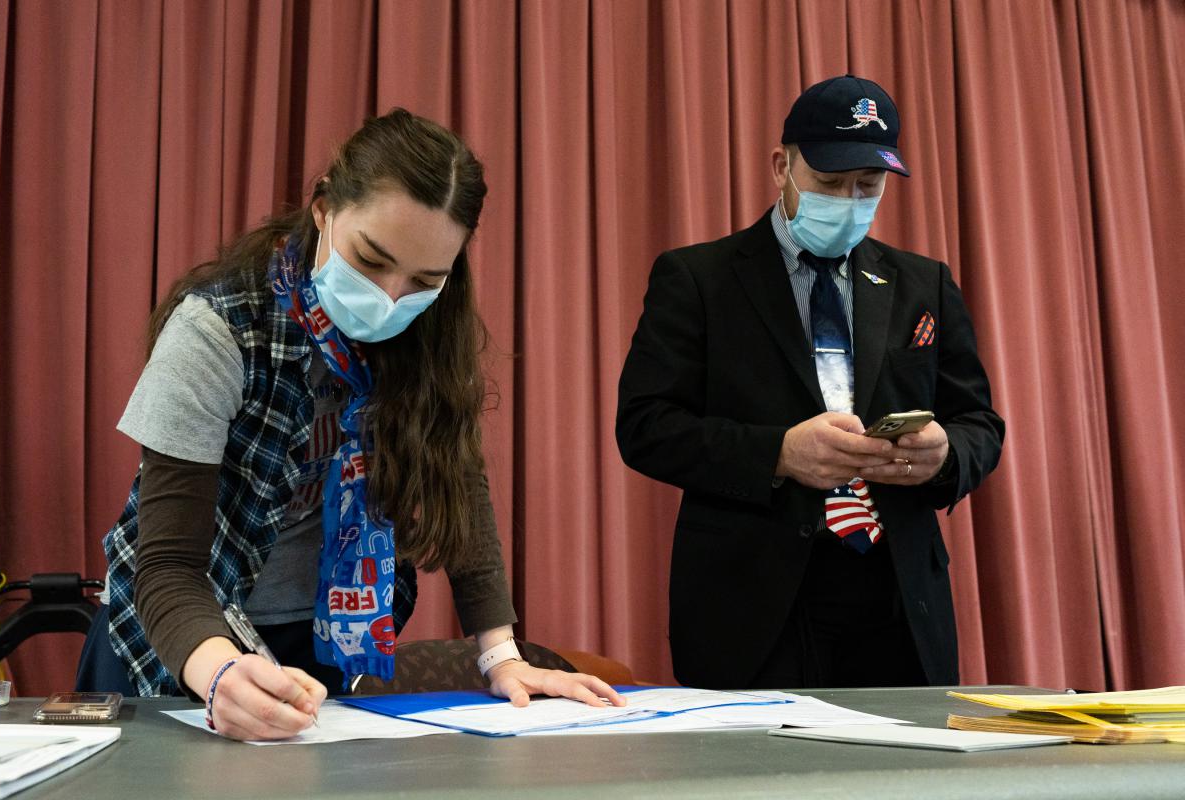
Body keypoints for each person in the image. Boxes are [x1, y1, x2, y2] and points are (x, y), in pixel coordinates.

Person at [78, 108, 623, 740]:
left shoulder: (425, 339)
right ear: (323, 210)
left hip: (315, 645)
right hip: (178, 638)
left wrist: (501, 655)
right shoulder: (216, 330)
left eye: (424, 279)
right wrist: (223, 673)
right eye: (370, 260)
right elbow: (168, 566)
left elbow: (459, 487)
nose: (390, 297)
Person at [616, 75, 1004, 690]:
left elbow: (979, 422)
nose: (849, 201)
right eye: (828, 183)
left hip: (897, 596)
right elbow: (644, 427)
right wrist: (779, 453)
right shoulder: (698, 279)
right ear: (781, 166)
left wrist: (947, 455)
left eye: (867, 187)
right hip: (752, 602)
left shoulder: (922, 283)